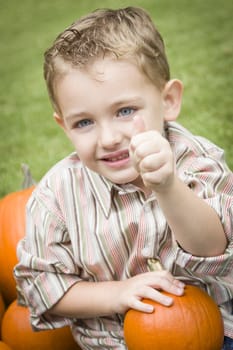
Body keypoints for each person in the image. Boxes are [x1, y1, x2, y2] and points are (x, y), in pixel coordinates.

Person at [14, 6, 233, 350]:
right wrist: (116, 294)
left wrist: (168, 187)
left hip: (212, 335)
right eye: (84, 122)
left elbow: (214, 249)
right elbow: (42, 287)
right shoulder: (56, 195)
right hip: (110, 344)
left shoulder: (195, 158)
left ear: (168, 100)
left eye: (125, 111)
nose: (108, 138)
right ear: (63, 125)